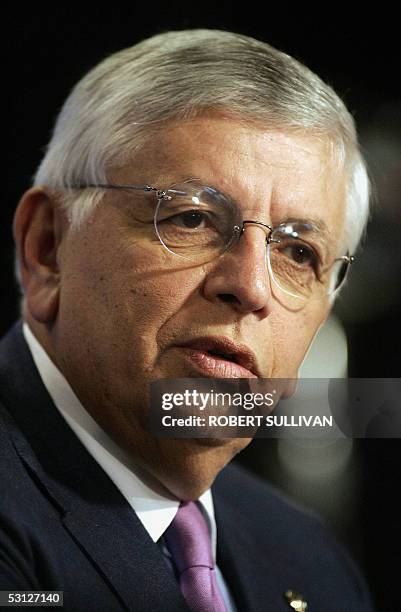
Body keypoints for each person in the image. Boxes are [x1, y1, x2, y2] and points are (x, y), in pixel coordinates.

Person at [0, 29, 373, 611]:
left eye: (299, 253)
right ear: (48, 246)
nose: (250, 288)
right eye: (192, 220)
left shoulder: (312, 558)